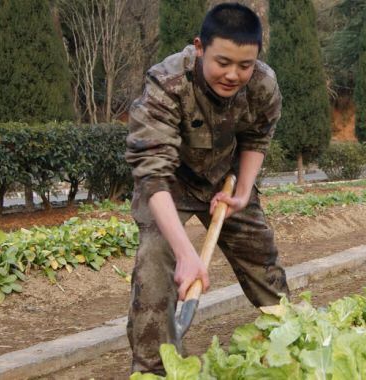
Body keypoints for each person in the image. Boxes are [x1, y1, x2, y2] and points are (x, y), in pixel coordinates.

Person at [125, 3, 290, 375]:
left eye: (244, 65)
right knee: (155, 262)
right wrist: (186, 254)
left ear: (256, 59)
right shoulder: (166, 83)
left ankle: (296, 339)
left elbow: (257, 137)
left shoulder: (263, 84)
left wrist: (243, 191)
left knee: (260, 253)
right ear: (200, 47)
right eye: (223, 62)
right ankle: (153, 369)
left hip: (224, 181)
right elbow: (151, 173)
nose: (233, 74)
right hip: (168, 185)